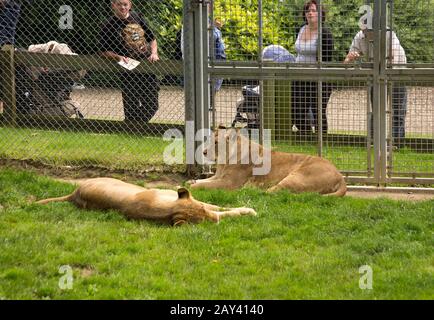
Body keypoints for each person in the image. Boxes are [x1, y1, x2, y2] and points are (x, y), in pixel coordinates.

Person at [344, 26, 407, 143]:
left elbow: (393, 57)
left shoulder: (388, 34)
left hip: (397, 71)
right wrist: (351, 57)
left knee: (398, 109)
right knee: (376, 109)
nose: (366, 33)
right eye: (364, 30)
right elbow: (347, 60)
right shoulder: (360, 36)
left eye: (369, 30)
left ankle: (396, 141)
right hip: (376, 74)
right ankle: (374, 140)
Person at [99, 0, 159, 122]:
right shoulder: (107, 25)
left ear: (130, 5)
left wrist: (154, 53)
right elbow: (102, 51)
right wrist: (118, 57)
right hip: (127, 69)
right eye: (119, 4)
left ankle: (132, 126)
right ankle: (131, 129)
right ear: (113, 5)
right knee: (131, 107)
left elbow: (152, 38)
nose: (122, 7)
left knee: (152, 105)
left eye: (125, 4)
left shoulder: (138, 17)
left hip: (146, 67)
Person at [291, 0, 334, 135]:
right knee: (297, 110)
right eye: (308, 10)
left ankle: (322, 138)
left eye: (314, 10)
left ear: (320, 14)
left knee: (318, 111)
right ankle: (305, 135)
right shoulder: (301, 29)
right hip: (299, 78)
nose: (310, 13)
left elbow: (326, 59)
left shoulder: (325, 34)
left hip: (317, 79)